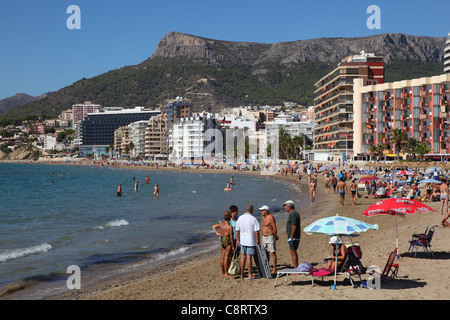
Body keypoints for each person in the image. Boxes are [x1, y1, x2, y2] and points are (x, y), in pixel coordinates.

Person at [235, 204, 261, 279]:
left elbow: (237, 231)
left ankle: (242, 274)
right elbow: (257, 232)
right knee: (249, 257)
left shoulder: (240, 218)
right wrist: (258, 241)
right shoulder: (253, 219)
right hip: (250, 241)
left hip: (242, 241)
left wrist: (238, 240)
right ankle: (250, 274)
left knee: (243, 256)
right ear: (252, 210)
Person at [212, 211, 235, 276]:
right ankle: (226, 272)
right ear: (229, 218)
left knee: (222, 257)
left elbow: (213, 226)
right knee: (226, 257)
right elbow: (231, 237)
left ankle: (222, 271)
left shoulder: (221, 224)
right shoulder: (230, 226)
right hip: (228, 241)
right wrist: (233, 246)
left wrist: (217, 232)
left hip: (222, 240)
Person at [259, 205, 278, 274]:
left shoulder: (271, 217)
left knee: (272, 252)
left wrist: (275, 236)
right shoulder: (263, 218)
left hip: (270, 236)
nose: (260, 212)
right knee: (265, 252)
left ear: (266, 211)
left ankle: (275, 268)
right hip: (264, 237)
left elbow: (274, 228)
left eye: (262, 210)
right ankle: (267, 266)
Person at [284, 200, 300, 269]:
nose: (285, 207)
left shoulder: (293, 214)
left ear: (289, 206)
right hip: (294, 236)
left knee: (293, 252)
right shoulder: (293, 213)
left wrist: (291, 236)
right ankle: (296, 267)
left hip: (293, 237)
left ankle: (296, 268)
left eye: (285, 206)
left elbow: (294, 225)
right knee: (293, 252)